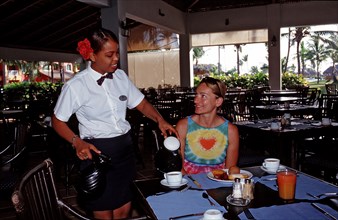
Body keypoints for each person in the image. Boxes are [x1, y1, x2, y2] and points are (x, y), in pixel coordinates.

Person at [52, 28, 177, 220]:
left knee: (123, 212)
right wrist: (77, 141)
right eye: (109, 55)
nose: (116, 58)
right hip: (97, 154)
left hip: (124, 152)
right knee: (103, 212)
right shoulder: (77, 85)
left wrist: (160, 119)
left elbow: (141, 103)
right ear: (92, 55)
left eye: (117, 52)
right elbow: (57, 120)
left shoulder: (120, 77)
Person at [175, 77, 239, 174]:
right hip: (189, 182)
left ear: (218, 101)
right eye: (196, 95)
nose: (196, 100)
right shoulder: (184, 126)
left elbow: (230, 170)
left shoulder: (230, 131)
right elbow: (179, 168)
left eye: (203, 96)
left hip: (218, 182)